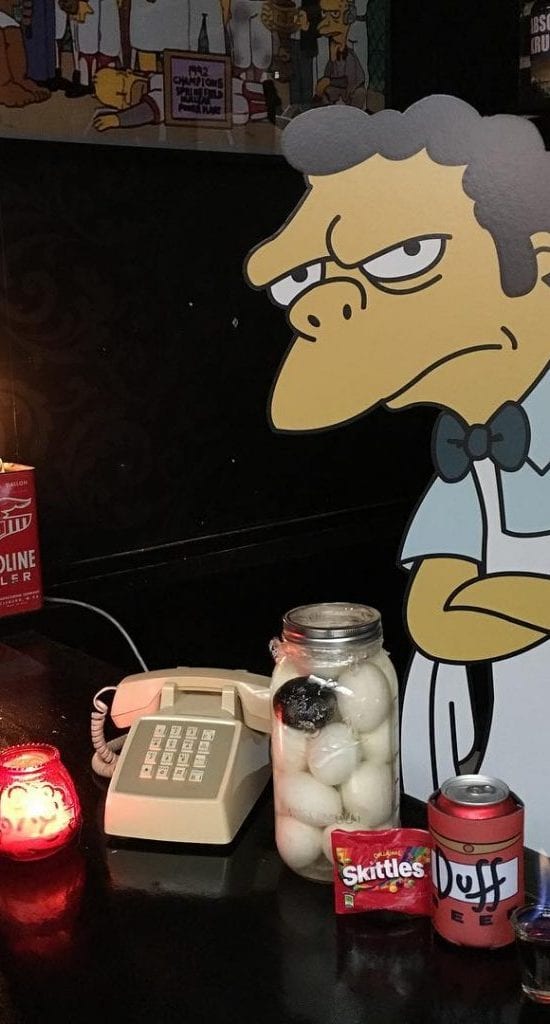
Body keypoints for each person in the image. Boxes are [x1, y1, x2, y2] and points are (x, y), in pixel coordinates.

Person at [245, 97, 550, 852]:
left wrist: (504, 602)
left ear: (542, 264)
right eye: (304, 280)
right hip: (496, 775)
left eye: (405, 257)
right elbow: (437, 615)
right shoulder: (467, 458)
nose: (322, 308)